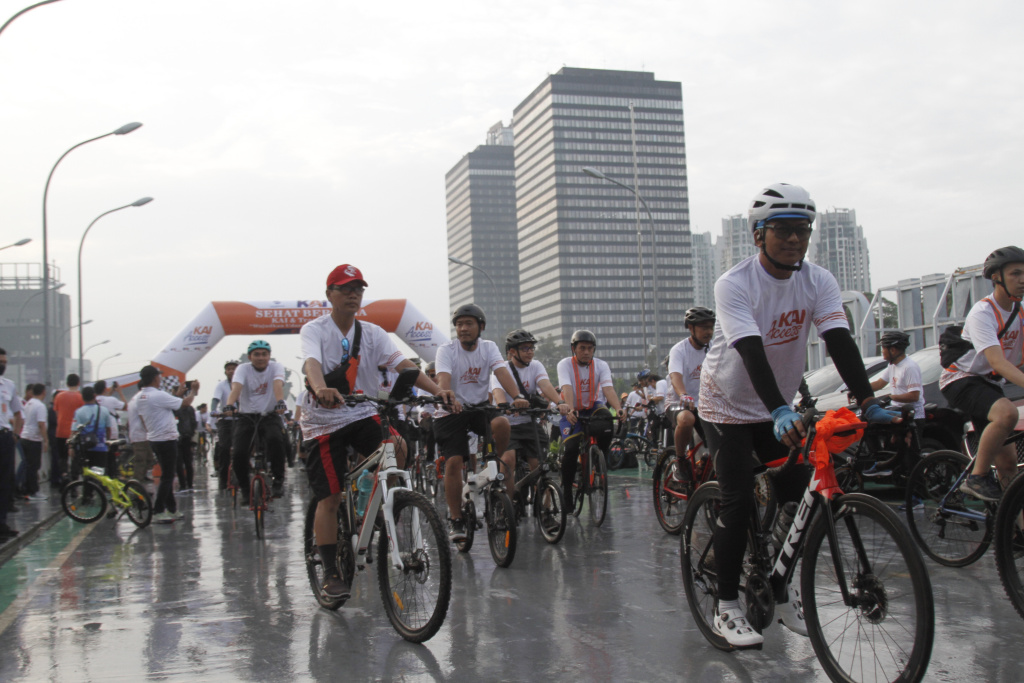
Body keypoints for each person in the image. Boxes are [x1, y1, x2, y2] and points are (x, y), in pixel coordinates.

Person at [697, 183, 898, 648]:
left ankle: (781, 589)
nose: (794, 239)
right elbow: (750, 349)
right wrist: (780, 409)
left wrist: (867, 400)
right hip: (726, 405)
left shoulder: (818, 280)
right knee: (738, 500)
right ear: (758, 235)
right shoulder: (734, 283)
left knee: (798, 492)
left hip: (776, 405)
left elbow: (839, 341)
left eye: (802, 230)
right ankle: (726, 606)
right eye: (782, 230)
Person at [299, 264, 452, 600]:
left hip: (360, 411)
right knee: (330, 496)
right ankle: (330, 572)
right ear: (330, 295)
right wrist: (321, 387)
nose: (354, 294)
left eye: (359, 289)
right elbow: (311, 363)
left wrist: (437, 390)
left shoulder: (373, 332)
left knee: (397, 447)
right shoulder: (315, 329)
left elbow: (405, 366)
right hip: (322, 421)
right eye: (346, 288)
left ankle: (371, 495)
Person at [434, 304, 528, 542]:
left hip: (478, 408)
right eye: (459, 324)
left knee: (503, 424)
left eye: (468, 324)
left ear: (480, 327)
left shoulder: (489, 347)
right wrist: (448, 397)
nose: (463, 329)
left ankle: (492, 466)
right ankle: (456, 519)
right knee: (454, 462)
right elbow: (443, 379)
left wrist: (516, 396)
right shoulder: (446, 350)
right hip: (450, 411)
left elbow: (501, 372)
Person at [940, 246, 1024, 501]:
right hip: (960, 379)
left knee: (1009, 464)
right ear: (996, 277)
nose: (1022, 280)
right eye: (1015, 274)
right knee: (1007, 413)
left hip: (987, 384)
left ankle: (1014, 534)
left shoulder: (1019, 313)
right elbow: (997, 362)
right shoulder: (983, 313)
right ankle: (976, 477)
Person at [490, 329, 569, 500]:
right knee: (508, 460)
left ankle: (545, 509)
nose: (530, 352)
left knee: (540, 466)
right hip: (508, 424)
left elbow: (545, 385)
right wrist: (505, 405)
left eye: (532, 348)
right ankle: (507, 505)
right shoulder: (501, 369)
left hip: (529, 423)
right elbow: (497, 391)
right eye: (525, 348)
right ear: (512, 351)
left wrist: (560, 402)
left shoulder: (536, 366)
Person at [556, 330, 621, 506]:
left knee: (608, 421)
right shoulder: (565, 364)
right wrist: (570, 410)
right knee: (571, 449)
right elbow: (567, 387)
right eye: (582, 348)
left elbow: (608, 388)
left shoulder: (601, 365)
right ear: (573, 349)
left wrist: (619, 408)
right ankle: (567, 490)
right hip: (573, 408)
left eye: (590, 349)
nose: (586, 352)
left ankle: (599, 460)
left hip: (592, 407)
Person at [224, 341, 288, 500]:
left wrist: (280, 401)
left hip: (269, 415)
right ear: (250, 356)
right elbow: (236, 388)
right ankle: (245, 489)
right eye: (257, 354)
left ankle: (278, 480)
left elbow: (277, 385)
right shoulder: (243, 369)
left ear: (269, 356)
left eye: (264, 354)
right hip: (247, 416)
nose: (261, 358)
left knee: (276, 441)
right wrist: (229, 405)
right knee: (239, 453)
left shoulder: (276, 367)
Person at [136, 365, 198, 523]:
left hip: (155, 438)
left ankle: (172, 509)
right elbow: (184, 403)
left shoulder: (141, 396)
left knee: (166, 475)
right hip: (166, 439)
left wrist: (177, 394)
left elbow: (169, 404)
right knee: (168, 476)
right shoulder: (158, 395)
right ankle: (158, 510)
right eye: (159, 376)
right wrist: (194, 392)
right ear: (155, 378)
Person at [864, 330, 925, 478]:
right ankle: (882, 463)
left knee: (911, 459)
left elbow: (914, 396)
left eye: (883, 348)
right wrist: (857, 388)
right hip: (897, 411)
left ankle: (917, 497)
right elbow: (879, 383)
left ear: (893, 349)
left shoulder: (909, 367)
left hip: (913, 415)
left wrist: (890, 396)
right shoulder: (893, 365)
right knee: (868, 426)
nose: (882, 352)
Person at [667, 307, 715, 475]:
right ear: (691, 328)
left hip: (706, 405)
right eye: (703, 327)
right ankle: (681, 461)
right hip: (679, 403)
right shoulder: (679, 350)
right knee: (687, 419)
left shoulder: (715, 348)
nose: (708, 332)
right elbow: (675, 376)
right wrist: (683, 394)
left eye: (711, 327)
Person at [0, 349, 24, 541]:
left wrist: (15, 434)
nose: (3, 365)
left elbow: (18, 413)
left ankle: (2, 523)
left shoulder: (8, 385)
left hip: (5, 436)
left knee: (5, 480)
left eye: (5, 362)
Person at [71, 386, 116, 477]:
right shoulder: (104, 410)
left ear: (82, 397)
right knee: (100, 475)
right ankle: (100, 489)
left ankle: (88, 490)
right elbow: (108, 429)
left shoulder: (78, 412)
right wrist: (106, 442)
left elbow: (75, 432)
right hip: (100, 448)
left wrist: (71, 447)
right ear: (94, 396)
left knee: (87, 475)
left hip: (85, 449)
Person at [52, 373, 84, 487]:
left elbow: (57, 413)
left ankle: (64, 476)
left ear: (67, 383)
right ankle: (74, 480)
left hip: (60, 431)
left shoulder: (59, 396)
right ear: (78, 383)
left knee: (62, 457)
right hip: (75, 432)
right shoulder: (81, 397)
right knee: (75, 457)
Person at [212, 360, 239, 489]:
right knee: (223, 449)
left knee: (244, 448)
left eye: (234, 369)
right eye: (229, 369)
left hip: (241, 420)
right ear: (225, 371)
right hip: (225, 421)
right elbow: (215, 399)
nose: (231, 371)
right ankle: (223, 480)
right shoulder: (221, 385)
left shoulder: (243, 383)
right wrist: (214, 410)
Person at [19, 384, 48, 501]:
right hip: (33, 439)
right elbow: (41, 424)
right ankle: (33, 492)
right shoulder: (40, 406)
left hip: (24, 437)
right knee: (34, 466)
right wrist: (45, 440)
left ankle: (26, 490)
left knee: (27, 466)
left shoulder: (28, 403)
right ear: (43, 392)